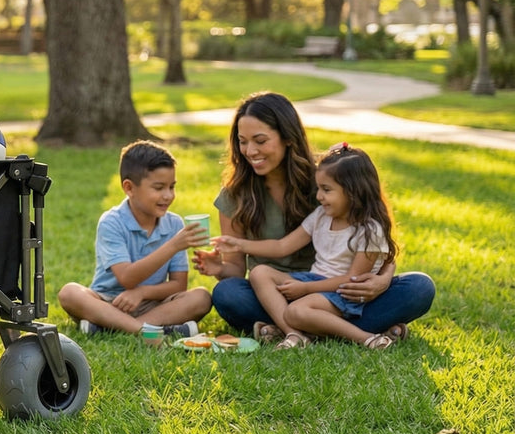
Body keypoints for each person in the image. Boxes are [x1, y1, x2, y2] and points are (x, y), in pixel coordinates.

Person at [192, 92, 435, 343]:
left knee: (419, 287)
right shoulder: (236, 195)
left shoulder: (325, 179)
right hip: (276, 293)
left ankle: (289, 329)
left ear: (287, 137)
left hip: (338, 289)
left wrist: (382, 281)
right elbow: (238, 269)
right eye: (243, 142)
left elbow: (376, 242)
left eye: (260, 140)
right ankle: (337, 330)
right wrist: (219, 268)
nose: (250, 151)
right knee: (228, 293)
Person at [212, 144, 400, 350]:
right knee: (259, 273)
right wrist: (239, 244)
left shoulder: (369, 230)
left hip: (343, 294)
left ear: (354, 191)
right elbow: (282, 246)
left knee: (295, 312)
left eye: (326, 190)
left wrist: (306, 289)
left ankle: (366, 338)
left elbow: (351, 280)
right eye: (319, 188)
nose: (319, 196)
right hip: (313, 281)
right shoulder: (320, 216)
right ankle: (295, 334)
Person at [58, 141, 212, 338]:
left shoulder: (174, 224)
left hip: (152, 305)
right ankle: (148, 331)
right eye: (159, 188)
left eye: (172, 187)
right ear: (129, 188)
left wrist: (142, 293)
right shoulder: (111, 222)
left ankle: (113, 328)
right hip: (108, 302)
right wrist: (174, 245)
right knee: (69, 293)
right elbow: (127, 278)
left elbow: (178, 285)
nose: (168, 195)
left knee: (201, 297)